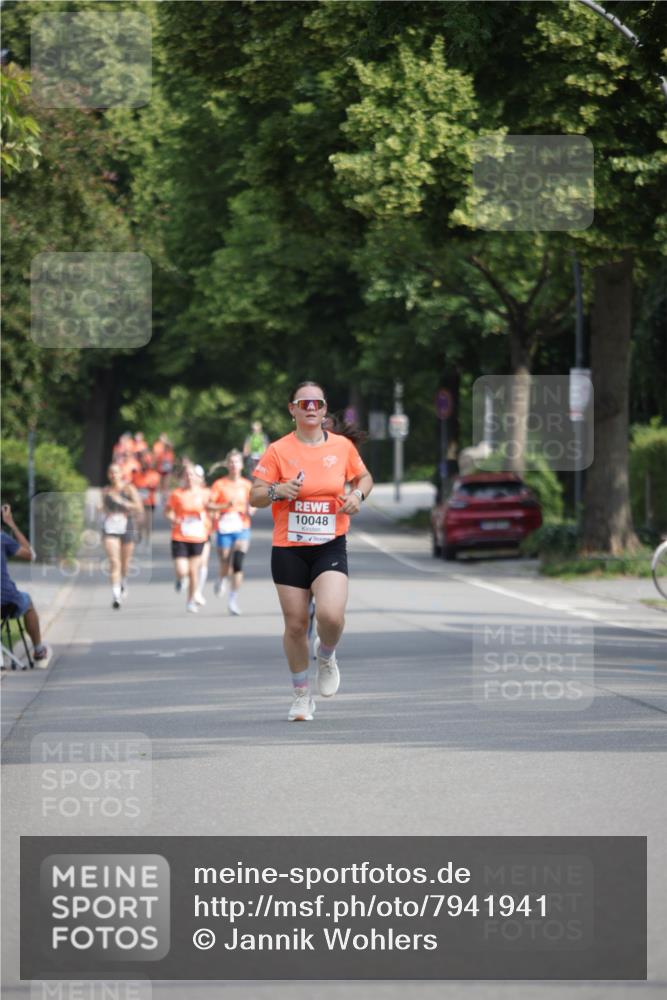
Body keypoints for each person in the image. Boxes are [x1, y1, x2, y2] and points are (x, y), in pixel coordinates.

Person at [250, 381, 373, 721]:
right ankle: (301, 695)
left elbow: (364, 478)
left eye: (316, 403)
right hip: (289, 547)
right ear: (292, 410)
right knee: (295, 625)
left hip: (329, 543)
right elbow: (254, 495)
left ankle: (328, 655)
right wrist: (277, 490)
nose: (310, 408)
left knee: (331, 617)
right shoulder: (278, 450)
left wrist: (357, 497)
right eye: (303, 403)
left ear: (323, 410)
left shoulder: (342, 447)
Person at [1, 504, 51, 665]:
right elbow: (31, 555)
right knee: (28, 602)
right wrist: (11, 524)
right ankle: (38, 651)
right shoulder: (2, 539)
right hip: (6, 601)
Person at [208, 449, 256, 615]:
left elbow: (254, 502)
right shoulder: (219, 484)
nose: (234, 465)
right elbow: (210, 505)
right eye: (231, 462)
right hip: (224, 527)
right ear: (227, 464)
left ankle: (233, 599)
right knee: (225, 562)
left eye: (237, 462)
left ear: (241, 465)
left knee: (237, 563)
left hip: (242, 527)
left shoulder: (247, 485)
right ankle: (221, 579)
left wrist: (252, 508)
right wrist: (225, 505)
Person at [165, 464, 210, 613]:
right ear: (183, 477)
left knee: (193, 571)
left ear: (197, 478)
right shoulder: (177, 494)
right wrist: (173, 519)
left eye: (192, 475)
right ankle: (179, 579)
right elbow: (168, 511)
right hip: (180, 536)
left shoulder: (205, 494)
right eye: (187, 475)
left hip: (198, 536)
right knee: (182, 570)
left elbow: (212, 508)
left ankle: (190, 601)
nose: (190, 477)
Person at [100, 464, 144, 609]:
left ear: (121, 474)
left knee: (125, 563)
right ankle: (116, 595)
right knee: (114, 562)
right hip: (110, 527)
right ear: (108, 475)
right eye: (111, 473)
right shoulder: (106, 491)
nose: (114, 475)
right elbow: (103, 508)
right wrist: (102, 509)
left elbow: (139, 507)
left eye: (116, 472)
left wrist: (122, 502)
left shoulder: (128, 488)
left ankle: (123, 581)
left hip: (127, 526)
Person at [132, 453, 161, 542]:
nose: (145, 466)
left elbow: (155, 486)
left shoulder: (154, 474)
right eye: (144, 464)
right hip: (139, 501)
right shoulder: (136, 474)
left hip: (150, 501)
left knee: (148, 521)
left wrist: (147, 485)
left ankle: (147, 537)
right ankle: (139, 535)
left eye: (147, 464)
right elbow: (133, 485)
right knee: (139, 519)